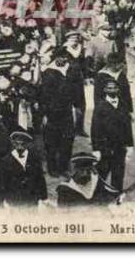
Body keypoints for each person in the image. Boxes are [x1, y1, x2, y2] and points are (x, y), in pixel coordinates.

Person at [90, 77, 133, 193]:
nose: (112, 90)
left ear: (118, 89)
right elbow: (95, 129)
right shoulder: (100, 107)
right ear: (104, 90)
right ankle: (97, 198)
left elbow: (128, 127)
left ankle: (116, 197)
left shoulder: (123, 105)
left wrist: (130, 145)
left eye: (114, 88)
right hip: (105, 148)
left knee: (118, 176)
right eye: (109, 88)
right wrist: (96, 149)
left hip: (120, 148)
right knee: (101, 175)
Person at [39, 47, 76, 178]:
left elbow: (77, 89)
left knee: (67, 139)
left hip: (67, 110)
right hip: (52, 112)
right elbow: (44, 96)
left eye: (65, 57)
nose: (64, 59)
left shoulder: (70, 69)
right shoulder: (49, 73)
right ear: (56, 58)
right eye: (61, 57)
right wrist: (44, 114)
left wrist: (77, 106)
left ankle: (64, 166)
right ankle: (52, 167)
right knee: (52, 141)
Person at [0, 129, 47, 208]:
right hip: (14, 200)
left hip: (32, 199)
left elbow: (40, 178)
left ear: (27, 144)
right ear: (13, 144)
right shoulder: (6, 161)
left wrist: (44, 197)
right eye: (17, 144)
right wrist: (2, 200)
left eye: (22, 144)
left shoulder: (34, 158)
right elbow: (2, 182)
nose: (19, 147)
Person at [56, 152, 122, 208]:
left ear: (92, 170)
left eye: (88, 170)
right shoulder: (65, 188)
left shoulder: (97, 182)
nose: (85, 173)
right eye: (82, 170)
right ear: (76, 170)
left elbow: (112, 194)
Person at [64, 31, 88, 137]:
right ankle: (68, 129)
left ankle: (79, 128)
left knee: (81, 105)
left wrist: (86, 76)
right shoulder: (63, 49)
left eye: (76, 39)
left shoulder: (80, 49)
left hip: (78, 80)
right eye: (72, 39)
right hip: (67, 80)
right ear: (67, 40)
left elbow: (83, 64)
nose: (74, 41)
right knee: (67, 105)